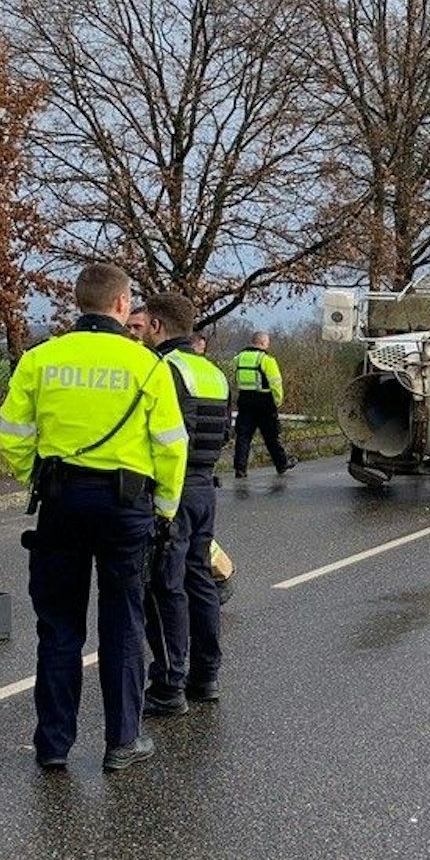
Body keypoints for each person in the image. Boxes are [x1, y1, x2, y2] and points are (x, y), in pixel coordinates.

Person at [0, 263, 187, 772]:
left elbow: (11, 433)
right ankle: (123, 742)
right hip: (126, 507)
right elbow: (171, 447)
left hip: (61, 501)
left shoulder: (41, 358)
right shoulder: (148, 366)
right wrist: (165, 510)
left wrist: (35, 479)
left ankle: (53, 745)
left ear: (77, 302)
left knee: (58, 625)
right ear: (124, 305)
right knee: (123, 620)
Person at [135, 294, 229, 714]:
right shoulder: (212, 372)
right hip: (204, 487)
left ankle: (169, 684)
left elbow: (161, 434)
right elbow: (222, 432)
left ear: (156, 326)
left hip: (173, 488)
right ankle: (205, 676)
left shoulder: (163, 369)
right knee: (201, 581)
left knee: (165, 586)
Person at [231, 331, 290, 477]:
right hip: (264, 402)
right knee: (271, 436)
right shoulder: (266, 359)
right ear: (263, 343)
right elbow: (276, 383)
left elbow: (234, 377)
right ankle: (281, 464)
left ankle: (240, 468)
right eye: (268, 342)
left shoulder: (238, 358)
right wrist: (277, 401)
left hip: (244, 400)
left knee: (243, 436)